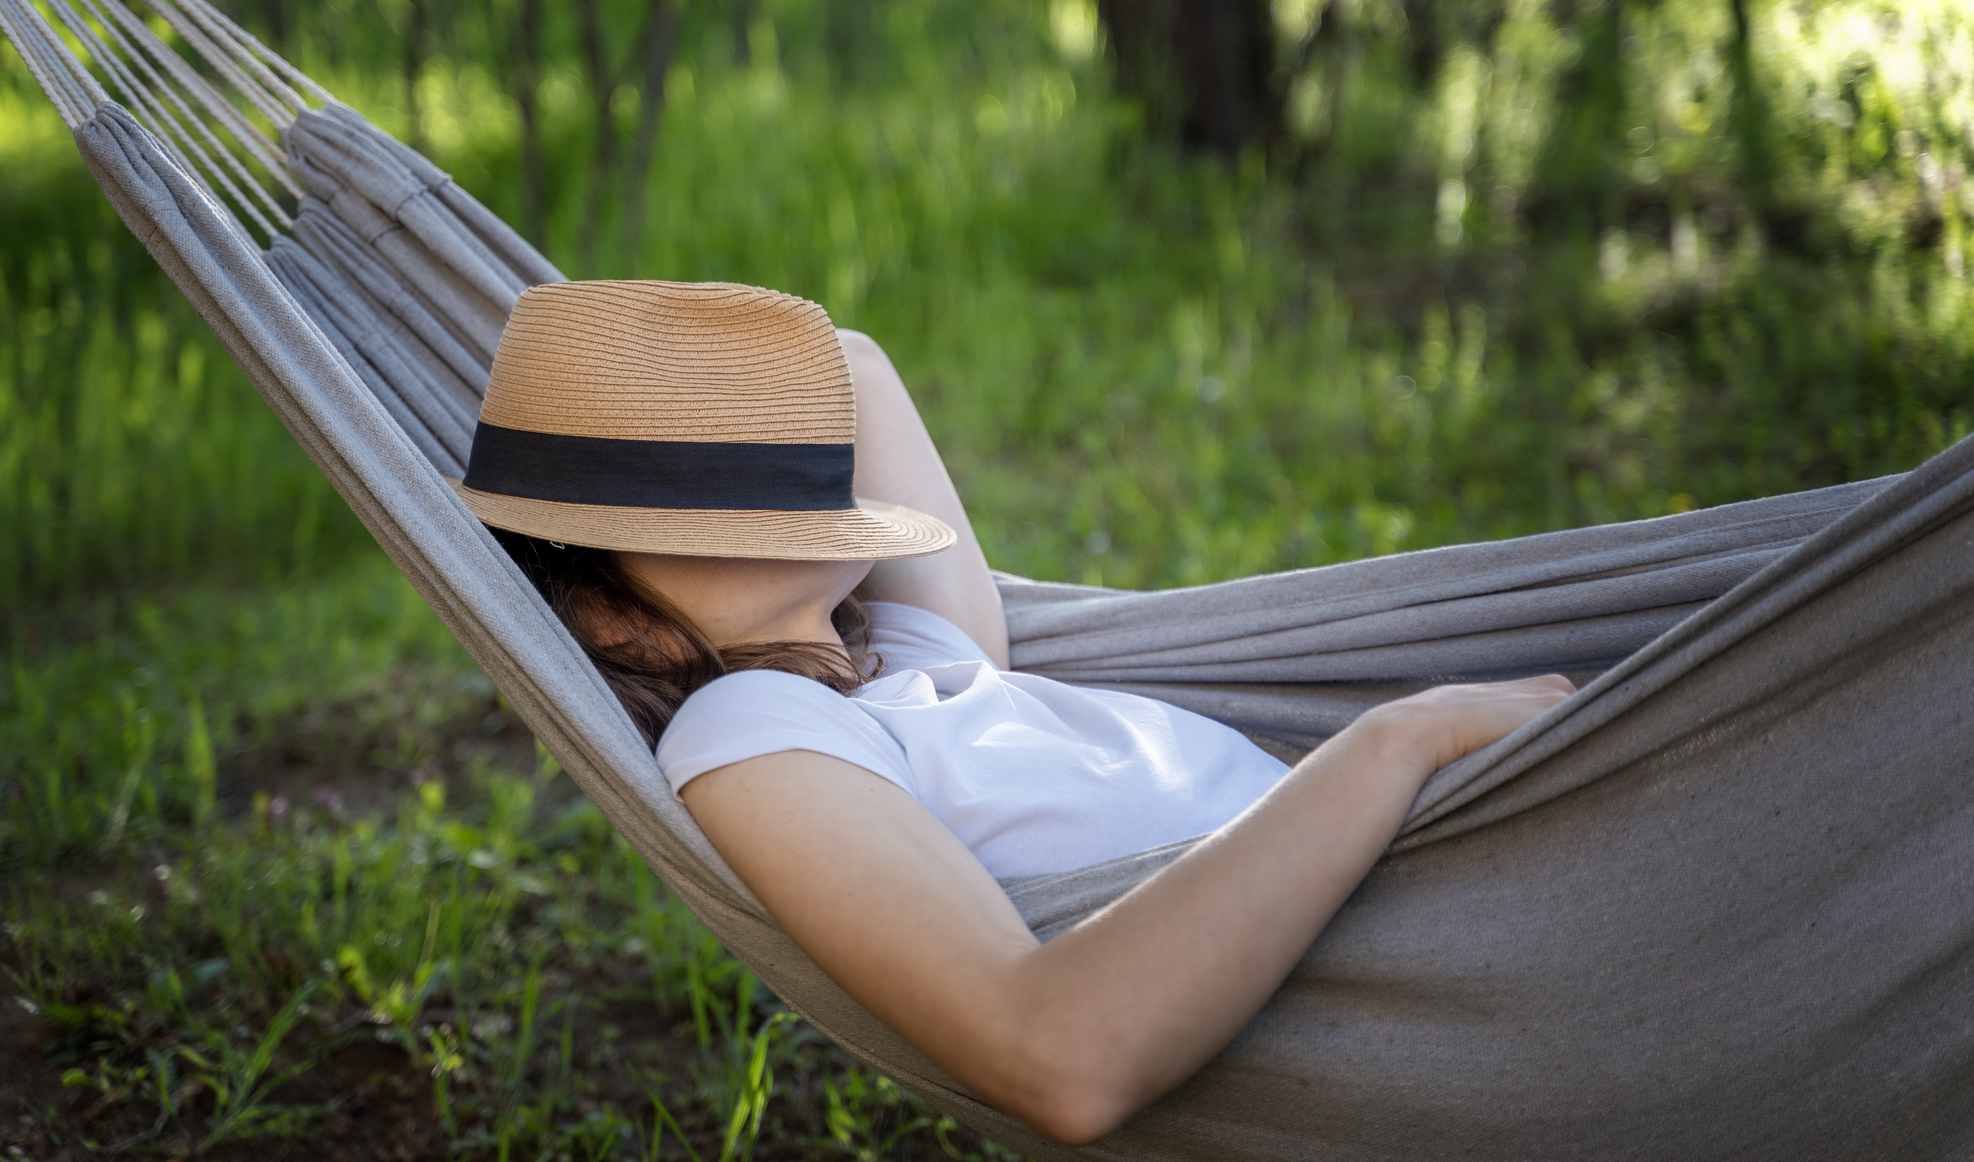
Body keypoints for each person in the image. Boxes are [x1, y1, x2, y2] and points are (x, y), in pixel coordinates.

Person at [453, 279, 1573, 1145]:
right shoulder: (750, 729)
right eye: (707, 499)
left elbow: (856, 365)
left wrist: (718, 365)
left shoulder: (915, 657)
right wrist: (1398, 739)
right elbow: (1060, 1058)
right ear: (608, 623)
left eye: (774, 450)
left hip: (1454, 893)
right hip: (1413, 964)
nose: (787, 486)